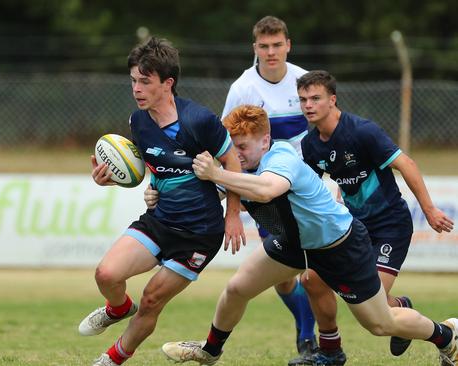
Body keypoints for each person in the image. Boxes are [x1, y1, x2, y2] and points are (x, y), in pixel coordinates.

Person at [159, 104, 458, 366]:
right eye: (232, 147)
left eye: (243, 146)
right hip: (294, 244)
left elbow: (266, 190)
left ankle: (447, 336)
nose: (236, 154)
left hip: (338, 244)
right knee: (238, 288)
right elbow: (207, 191)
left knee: (380, 323)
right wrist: (158, 194)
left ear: (265, 141)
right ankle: (210, 350)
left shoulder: (281, 157)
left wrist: (217, 174)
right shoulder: (237, 167)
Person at [78, 37, 244, 366]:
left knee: (152, 299)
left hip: (199, 233)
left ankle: (110, 360)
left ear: (167, 83)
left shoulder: (199, 121)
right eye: (133, 81)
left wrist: (233, 214)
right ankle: (118, 308)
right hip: (159, 220)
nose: (136, 89)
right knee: (106, 274)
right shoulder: (137, 122)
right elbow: (151, 166)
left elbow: (233, 163)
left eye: (145, 81)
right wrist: (113, 178)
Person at [289, 69, 455, 364]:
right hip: (354, 228)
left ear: (332, 100)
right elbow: (310, 189)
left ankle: (446, 335)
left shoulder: (362, 131)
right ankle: (330, 353)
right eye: (303, 99)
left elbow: (407, 164)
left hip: (390, 226)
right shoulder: (311, 145)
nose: (308, 105)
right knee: (312, 280)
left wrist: (429, 210)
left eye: (316, 98)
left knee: (374, 313)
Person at [222, 15, 318, 361]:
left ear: (288, 45)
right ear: (255, 49)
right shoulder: (243, 89)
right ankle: (305, 326)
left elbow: (325, 131)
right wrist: (232, 209)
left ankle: (310, 340)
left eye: (277, 45)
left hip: (307, 189)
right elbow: (227, 150)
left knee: (314, 271)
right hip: (266, 194)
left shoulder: (303, 82)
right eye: (264, 46)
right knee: (283, 277)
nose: (271, 52)